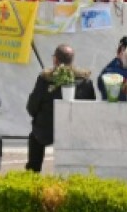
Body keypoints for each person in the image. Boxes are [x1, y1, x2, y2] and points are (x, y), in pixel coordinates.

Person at [25, 44, 96, 172]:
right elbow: (90, 109)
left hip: (46, 129)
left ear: (55, 60)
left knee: (35, 138)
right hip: (75, 130)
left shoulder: (44, 79)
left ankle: (33, 173)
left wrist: (35, 116)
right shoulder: (85, 81)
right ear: (72, 60)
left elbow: (32, 106)